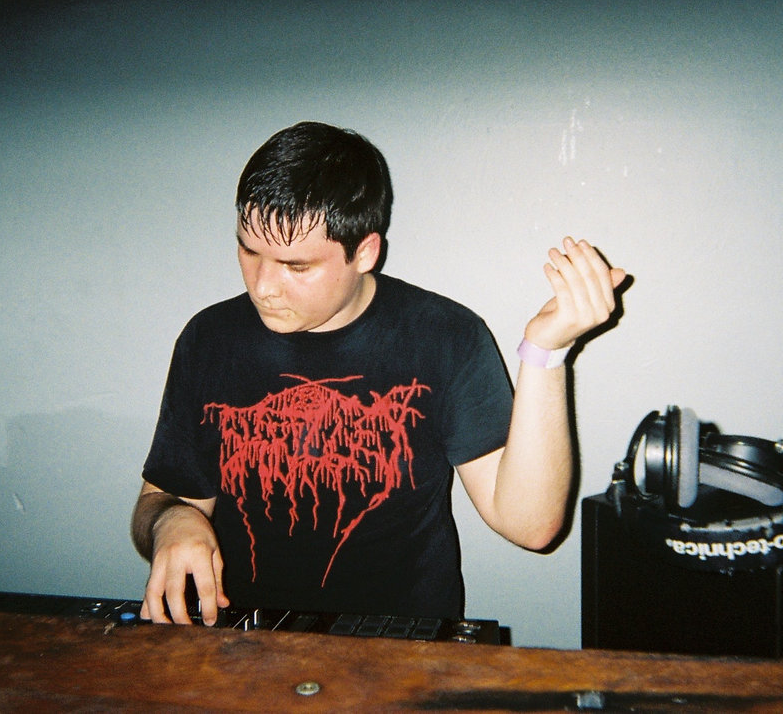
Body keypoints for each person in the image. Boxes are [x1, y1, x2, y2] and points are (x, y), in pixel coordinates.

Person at [132, 121, 626, 625]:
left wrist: (546, 352)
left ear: (365, 251)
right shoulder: (209, 339)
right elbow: (157, 502)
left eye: (296, 266)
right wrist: (172, 520)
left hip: (399, 643)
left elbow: (531, 526)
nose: (263, 286)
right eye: (248, 250)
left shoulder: (445, 336)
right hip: (242, 636)